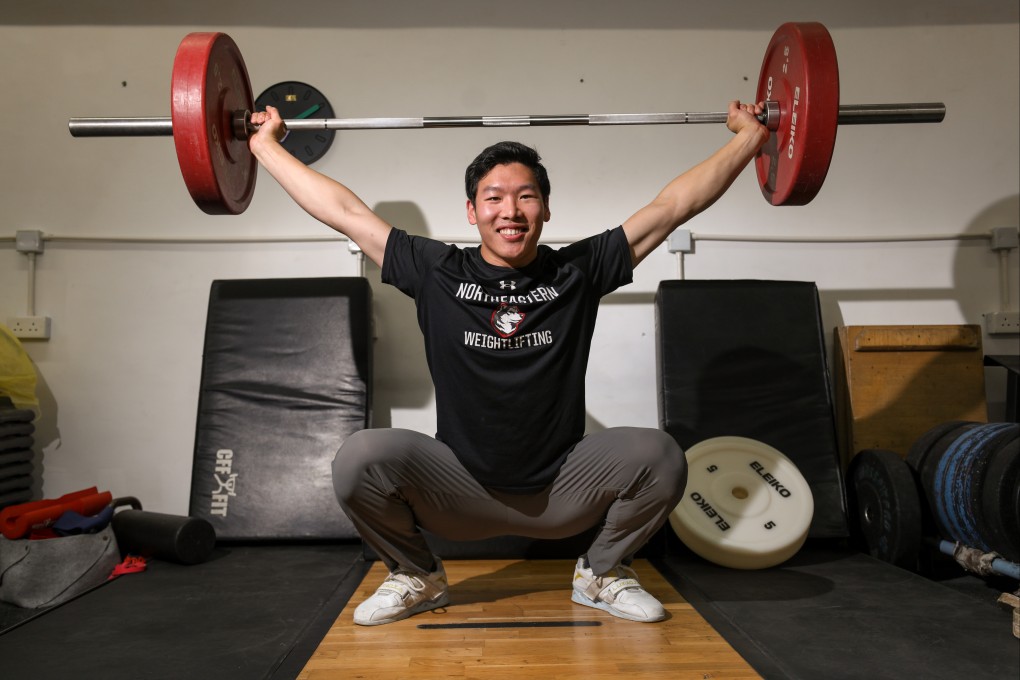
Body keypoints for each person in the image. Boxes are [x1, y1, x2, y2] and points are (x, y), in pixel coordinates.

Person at [248, 101, 769, 626]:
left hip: (562, 491)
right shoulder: (436, 272)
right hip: (457, 489)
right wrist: (265, 146)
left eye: (526, 197)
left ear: (546, 208)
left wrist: (748, 138)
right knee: (358, 458)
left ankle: (602, 573)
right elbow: (344, 212)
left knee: (660, 455)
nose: (510, 211)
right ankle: (417, 576)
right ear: (472, 211)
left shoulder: (577, 272)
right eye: (493, 198)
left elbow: (673, 206)